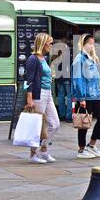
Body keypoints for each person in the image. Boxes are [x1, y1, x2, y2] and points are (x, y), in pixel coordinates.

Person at [24, 33, 60, 164]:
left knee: (55, 124)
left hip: (48, 93)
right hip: (38, 94)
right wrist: (29, 98)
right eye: (49, 43)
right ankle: (33, 154)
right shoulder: (33, 59)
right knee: (37, 125)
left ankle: (44, 150)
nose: (51, 45)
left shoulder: (44, 58)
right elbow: (28, 80)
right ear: (42, 43)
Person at [72, 34, 100, 159]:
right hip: (86, 96)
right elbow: (77, 79)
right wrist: (81, 97)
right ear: (83, 44)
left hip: (95, 95)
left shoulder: (91, 58)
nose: (92, 46)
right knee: (83, 122)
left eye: (93, 43)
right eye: (90, 43)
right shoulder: (79, 59)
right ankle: (81, 149)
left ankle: (91, 144)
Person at [53, 47, 73, 123]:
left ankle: (61, 116)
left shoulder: (56, 59)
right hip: (67, 79)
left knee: (60, 97)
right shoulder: (69, 58)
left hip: (58, 80)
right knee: (69, 97)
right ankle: (68, 117)